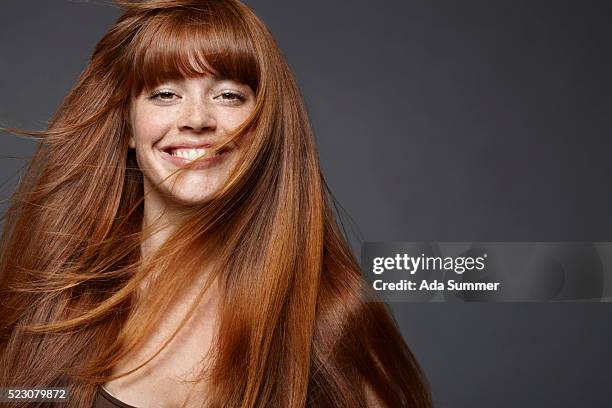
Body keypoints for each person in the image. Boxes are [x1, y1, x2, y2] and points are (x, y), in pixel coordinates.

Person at [0, 1, 432, 407]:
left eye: (228, 95)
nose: (197, 118)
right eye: (165, 94)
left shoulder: (333, 318)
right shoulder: (52, 300)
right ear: (127, 124)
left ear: (262, 124)